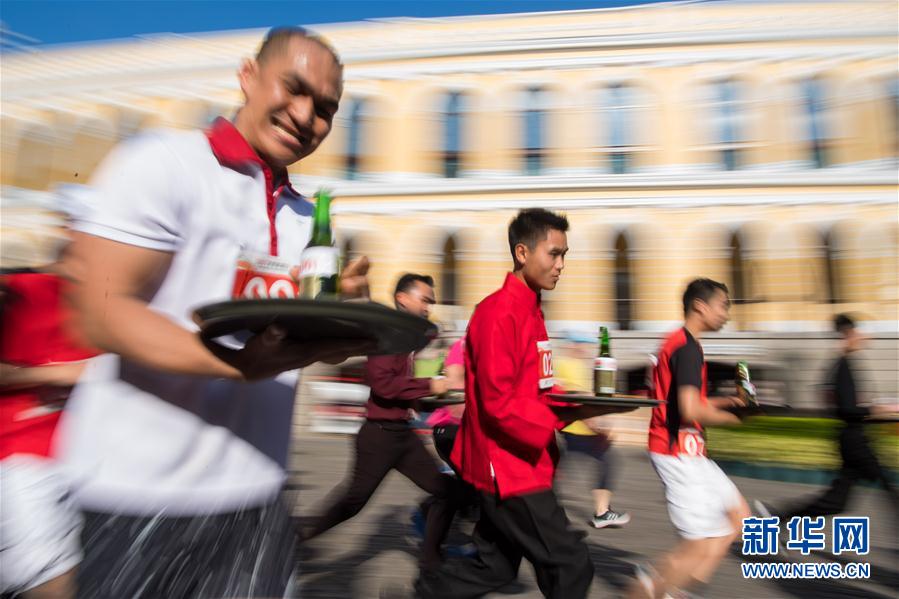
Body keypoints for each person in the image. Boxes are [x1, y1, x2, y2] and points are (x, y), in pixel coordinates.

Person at [54, 26, 373, 598]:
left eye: (325, 109)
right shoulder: (163, 162)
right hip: (136, 498)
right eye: (293, 89)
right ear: (248, 76)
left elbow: (300, 343)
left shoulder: (307, 218)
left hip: (259, 496)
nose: (306, 115)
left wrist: (344, 317)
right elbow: (99, 314)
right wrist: (239, 366)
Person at [416, 208, 595, 599]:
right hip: (509, 469)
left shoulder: (531, 308)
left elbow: (537, 387)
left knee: (492, 569)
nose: (562, 265)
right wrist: (558, 416)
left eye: (565, 255)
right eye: (554, 254)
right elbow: (499, 405)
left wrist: (581, 405)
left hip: (524, 462)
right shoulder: (498, 313)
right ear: (522, 253)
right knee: (571, 566)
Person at [300, 273, 456, 573]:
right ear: (402, 298)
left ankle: (433, 564)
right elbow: (384, 385)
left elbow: (432, 331)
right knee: (353, 502)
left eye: (431, 302)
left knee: (444, 491)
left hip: (404, 437)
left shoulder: (407, 334)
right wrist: (430, 386)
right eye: (425, 300)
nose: (429, 307)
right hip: (379, 437)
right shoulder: (386, 336)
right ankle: (299, 537)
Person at [629, 278, 750, 599]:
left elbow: (683, 403)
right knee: (697, 546)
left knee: (740, 519)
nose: (727, 313)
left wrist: (727, 403)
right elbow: (689, 408)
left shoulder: (681, 343)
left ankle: (673, 590)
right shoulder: (687, 348)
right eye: (723, 305)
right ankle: (649, 590)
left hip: (691, 451)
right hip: (677, 454)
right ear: (701, 306)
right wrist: (735, 419)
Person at [0, 260, 96, 599]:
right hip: (24, 458)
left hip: (98, 460)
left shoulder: (128, 301)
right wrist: (57, 373)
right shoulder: (26, 291)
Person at [755, 314, 899, 531]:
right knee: (888, 484)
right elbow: (847, 409)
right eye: (857, 332)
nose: (862, 337)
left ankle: (775, 516)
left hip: (852, 439)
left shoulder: (842, 365)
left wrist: (878, 411)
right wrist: (881, 409)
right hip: (855, 441)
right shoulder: (841, 368)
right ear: (847, 335)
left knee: (837, 502)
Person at [555, 333, 630, 529]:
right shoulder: (566, 364)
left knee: (562, 469)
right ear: (572, 344)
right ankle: (602, 512)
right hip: (575, 428)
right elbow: (576, 397)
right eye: (582, 343)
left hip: (577, 429)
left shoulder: (577, 365)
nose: (585, 349)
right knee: (608, 461)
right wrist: (595, 425)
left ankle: (600, 511)